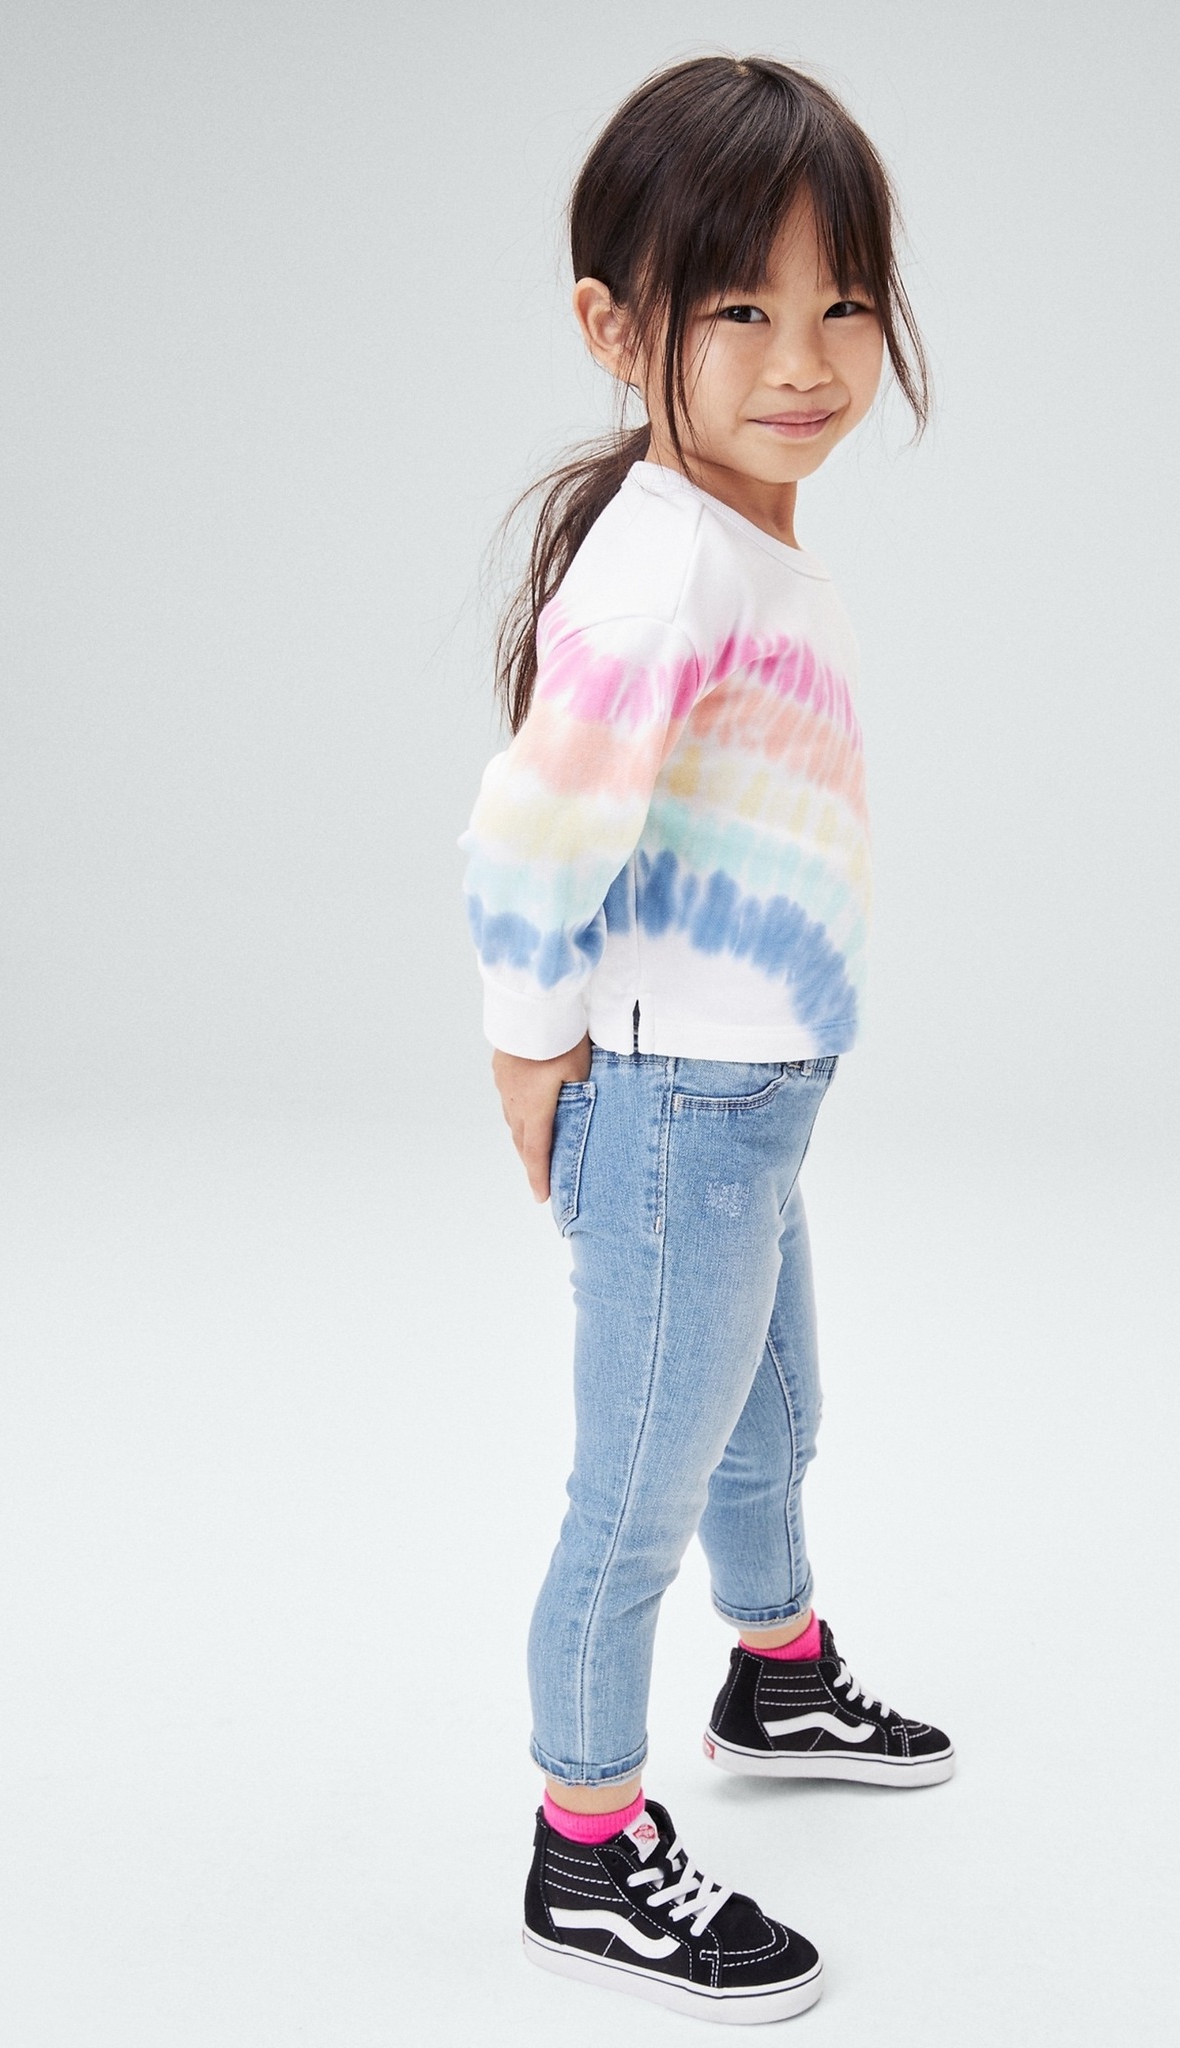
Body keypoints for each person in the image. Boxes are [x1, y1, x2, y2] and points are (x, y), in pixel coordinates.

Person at [458, 52, 952, 2025]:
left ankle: (780, 1671)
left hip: (758, 1094)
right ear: (616, 325)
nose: (805, 358)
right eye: (740, 306)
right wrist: (531, 1048)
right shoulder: (661, 563)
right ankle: (586, 1842)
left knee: (772, 1416)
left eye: (845, 302)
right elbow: (533, 824)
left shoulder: (734, 540)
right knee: (634, 1499)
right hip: (676, 1102)